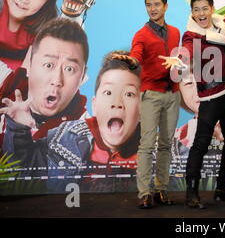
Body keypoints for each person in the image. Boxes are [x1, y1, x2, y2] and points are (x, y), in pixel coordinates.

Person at [161, 0, 225, 209]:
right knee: (201, 144)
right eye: (196, 9)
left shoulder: (222, 26)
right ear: (192, 12)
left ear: (211, 8)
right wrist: (181, 59)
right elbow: (188, 50)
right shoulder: (191, 35)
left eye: (205, 8)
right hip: (209, 98)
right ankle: (192, 192)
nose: (201, 13)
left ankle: (222, 189)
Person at [2, 51, 141, 193]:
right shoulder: (64, 138)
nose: (116, 103)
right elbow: (22, 170)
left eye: (129, 94)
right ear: (95, 105)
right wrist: (18, 128)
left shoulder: (156, 154)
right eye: (108, 93)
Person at [113, 0, 181, 209]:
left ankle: (161, 189)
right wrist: (131, 61)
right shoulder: (141, 34)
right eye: (149, 5)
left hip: (173, 94)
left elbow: (179, 60)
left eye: (157, 4)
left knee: (165, 145)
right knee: (146, 145)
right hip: (151, 95)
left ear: (165, 6)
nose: (153, 9)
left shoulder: (175, 32)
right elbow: (136, 55)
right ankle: (144, 193)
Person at [0, 17, 89, 149]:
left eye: (69, 69)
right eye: (48, 65)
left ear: (82, 77)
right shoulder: (5, 82)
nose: (56, 80)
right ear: (29, 64)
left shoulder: (86, 135)